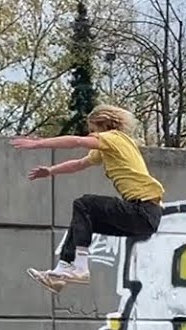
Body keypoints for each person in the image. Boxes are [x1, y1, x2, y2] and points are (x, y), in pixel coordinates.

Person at [10, 105, 165, 293]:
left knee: (85, 204)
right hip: (145, 218)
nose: (91, 136)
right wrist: (51, 171)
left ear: (103, 125)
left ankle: (81, 268)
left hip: (142, 210)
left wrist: (38, 144)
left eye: (92, 131)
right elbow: (79, 164)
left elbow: (76, 141)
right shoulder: (109, 147)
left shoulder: (113, 138)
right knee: (81, 223)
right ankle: (60, 271)